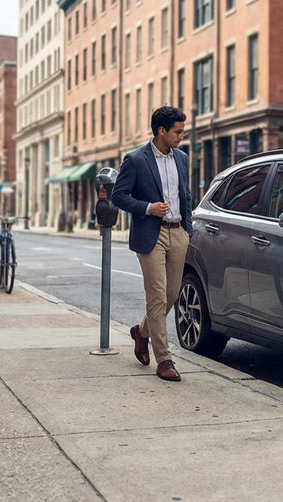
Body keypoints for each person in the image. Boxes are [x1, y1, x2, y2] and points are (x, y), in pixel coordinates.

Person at [111, 106, 192, 382]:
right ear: (161, 131)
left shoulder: (181, 158)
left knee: (171, 295)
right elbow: (118, 196)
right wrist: (148, 208)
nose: (181, 136)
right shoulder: (135, 159)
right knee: (157, 296)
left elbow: (186, 196)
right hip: (150, 234)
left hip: (178, 231)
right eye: (177, 132)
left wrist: (187, 229)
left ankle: (140, 332)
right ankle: (165, 360)